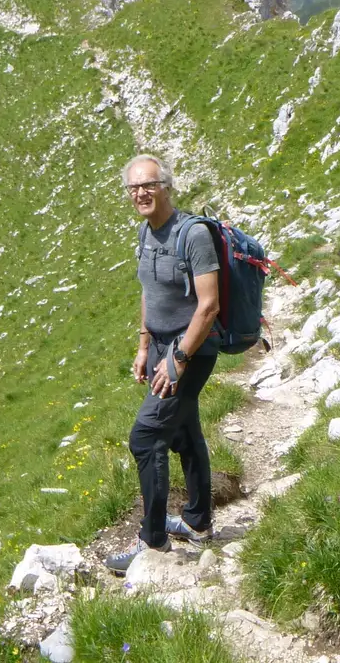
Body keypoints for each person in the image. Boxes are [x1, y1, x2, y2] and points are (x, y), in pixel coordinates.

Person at [104, 153, 220, 573]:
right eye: (134, 187)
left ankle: (152, 541)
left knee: (146, 436)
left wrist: (179, 361)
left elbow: (208, 306)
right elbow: (148, 291)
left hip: (191, 349)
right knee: (184, 433)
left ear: (166, 186)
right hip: (160, 347)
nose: (141, 193)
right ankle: (197, 520)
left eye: (149, 185)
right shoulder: (145, 232)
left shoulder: (193, 235)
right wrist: (142, 346)